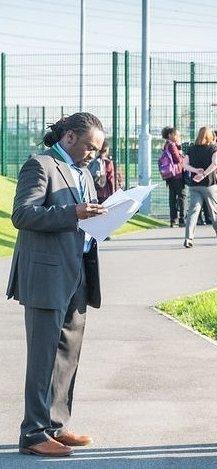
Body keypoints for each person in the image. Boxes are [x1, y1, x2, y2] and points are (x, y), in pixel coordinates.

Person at [7, 112, 107, 457]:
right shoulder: (41, 165)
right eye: (90, 148)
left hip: (78, 271)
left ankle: (56, 426)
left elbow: (84, 216)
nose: (93, 155)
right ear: (69, 138)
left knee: (67, 354)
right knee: (43, 357)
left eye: (97, 150)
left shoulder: (84, 173)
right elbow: (22, 214)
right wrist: (74, 214)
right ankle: (33, 433)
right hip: (46, 275)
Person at [183, 126, 217, 248]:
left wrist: (196, 171)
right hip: (209, 184)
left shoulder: (191, 149)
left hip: (194, 185)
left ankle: (188, 239)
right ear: (210, 136)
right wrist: (203, 174)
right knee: (214, 211)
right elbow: (215, 163)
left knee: (193, 212)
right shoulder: (213, 148)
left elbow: (184, 164)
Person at [162, 127, 186, 227]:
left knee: (172, 196)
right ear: (170, 135)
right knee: (181, 196)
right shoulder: (172, 145)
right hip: (176, 174)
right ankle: (181, 219)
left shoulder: (167, 145)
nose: (178, 137)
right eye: (177, 135)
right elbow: (177, 159)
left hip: (170, 175)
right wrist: (182, 155)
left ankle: (173, 219)